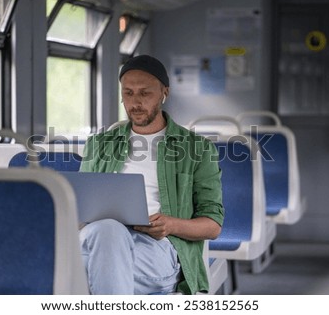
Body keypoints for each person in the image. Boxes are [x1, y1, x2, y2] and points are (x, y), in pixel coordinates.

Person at [79, 54, 224, 295]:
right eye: (128, 93)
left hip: (157, 248)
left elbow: (213, 226)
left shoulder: (197, 149)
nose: (135, 102)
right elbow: (82, 209)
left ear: (164, 93)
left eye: (145, 93)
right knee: (106, 231)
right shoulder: (98, 144)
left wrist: (170, 224)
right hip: (95, 240)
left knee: (95, 249)